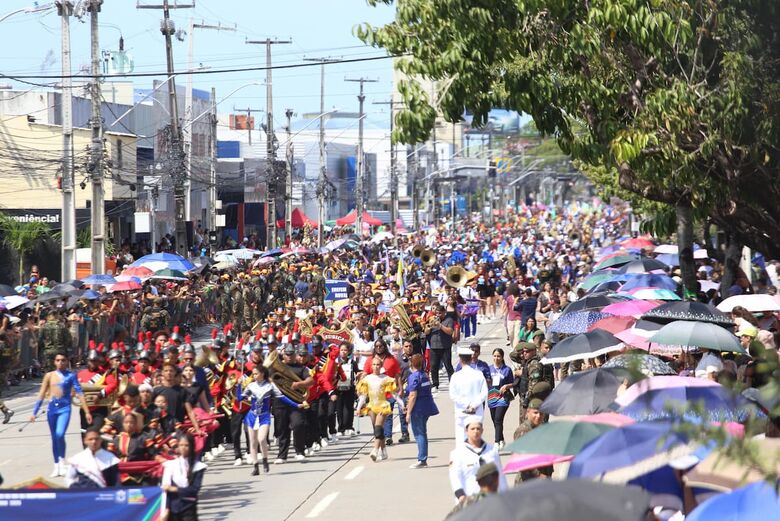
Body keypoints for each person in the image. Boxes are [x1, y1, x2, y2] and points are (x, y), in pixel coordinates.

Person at [31, 351, 92, 477]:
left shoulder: (71, 375)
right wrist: (34, 412)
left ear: (67, 361)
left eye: (63, 360)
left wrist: (86, 411)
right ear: (54, 362)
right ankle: (56, 465)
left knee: (60, 434)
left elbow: (80, 393)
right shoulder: (49, 375)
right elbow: (42, 393)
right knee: (54, 437)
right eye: (58, 360)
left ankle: (62, 461)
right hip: (52, 409)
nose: (60, 362)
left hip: (65, 409)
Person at [237, 365, 303, 475]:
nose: (254, 376)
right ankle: (255, 466)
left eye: (256, 373)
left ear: (262, 374)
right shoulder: (251, 386)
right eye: (253, 374)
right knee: (252, 442)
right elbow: (239, 398)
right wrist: (238, 385)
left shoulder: (270, 386)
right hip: (252, 416)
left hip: (264, 416)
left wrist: (296, 405)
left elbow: (282, 397)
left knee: (262, 439)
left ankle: (265, 460)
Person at [448, 418, 507, 503]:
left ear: (482, 430)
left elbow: (500, 475)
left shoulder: (492, 451)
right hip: (468, 499)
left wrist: (505, 495)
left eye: (478, 429)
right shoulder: (457, 453)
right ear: (466, 431)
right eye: (472, 429)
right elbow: (455, 477)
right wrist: (460, 495)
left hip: (490, 498)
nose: (476, 431)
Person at [356, 356, 397, 462]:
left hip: (383, 405)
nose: (376, 367)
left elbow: (394, 394)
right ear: (371, 366)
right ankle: (384, 452)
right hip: (372, 406)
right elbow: (363, 396)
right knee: (378, 430)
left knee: (378, 428)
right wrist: (358, 408)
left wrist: (402, 405)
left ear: (381, 366)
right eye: (374, 364)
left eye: (378, 364)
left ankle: (375, 450)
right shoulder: (367, 379)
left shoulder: (385, 378)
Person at [162, 432, 206, 521]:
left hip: (188, 508)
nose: (183, 448)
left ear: (191, 447)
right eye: (181, 445)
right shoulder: (171, 465)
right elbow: (165, 490)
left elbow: (194, 489)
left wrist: (175, 489)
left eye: (186, 445)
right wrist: (166, 509)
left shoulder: (198, 466)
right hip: (173, 508)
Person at [404, 353, 439, 468]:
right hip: (427, 406)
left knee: (419, 434)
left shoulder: (413, 377)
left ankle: (422, 459)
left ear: (411, 364)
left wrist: (408, 412)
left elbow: (413, 395)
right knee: (423, 433)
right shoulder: (424, 375)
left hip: (418, 408)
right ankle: (423, 457)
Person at [448, 346, 488, 445]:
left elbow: (453, 395)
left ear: (460, 360)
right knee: (476, 439)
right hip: (476, 412)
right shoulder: (479, 374)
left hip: (461, 412)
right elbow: (484, 392)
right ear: (471, 359)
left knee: (461, 439)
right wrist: (473, 405)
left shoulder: (455, 376)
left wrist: (466, 404)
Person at [487, 348, 514, 449]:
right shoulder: (488, 369)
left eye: (498, 356)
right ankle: (501, 439)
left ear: (502, 357)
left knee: (498, 419)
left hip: (503, 398)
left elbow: (513, 383)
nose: (496, 358)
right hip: (491, 397)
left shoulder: (507, 370)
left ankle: (496, 442)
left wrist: (507, 386)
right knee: (495, 420)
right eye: (494, 356)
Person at [425, 304, 455, 391]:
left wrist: (440, 326)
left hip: (445, 346)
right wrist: (429, 328)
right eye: (437, 313)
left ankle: (453, 383)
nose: (438, 315)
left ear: (444, 312)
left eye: (440, 313)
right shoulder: (431, 319)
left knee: (448, 366)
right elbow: (426, 332)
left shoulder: (449, 320)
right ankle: (435, 384)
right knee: (433, 367)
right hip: (434, 346)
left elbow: (450, 332)